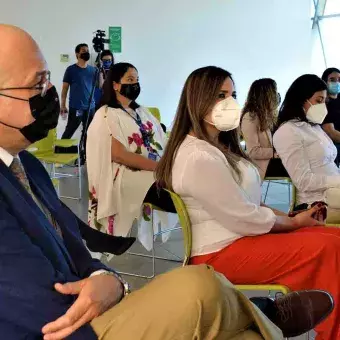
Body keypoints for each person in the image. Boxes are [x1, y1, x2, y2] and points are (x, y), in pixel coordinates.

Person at [0, 26, 330, 340]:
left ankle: (259, 319)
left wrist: (108, 280)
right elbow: (43, 310)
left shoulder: (27, 165)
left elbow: (77, 255)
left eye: (48, 81)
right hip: (65, 328)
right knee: (199, 288)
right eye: (36, 84)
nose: (49, 94)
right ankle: (263, 313)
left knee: (210, 299)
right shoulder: (113, 120)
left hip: (93, 307)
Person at [155, 66, 339, 340]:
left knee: (330, 235)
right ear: (198, 99)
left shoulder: (214, 147)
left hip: (240, 238)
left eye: (233, 94)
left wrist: (293, 218)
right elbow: (244, 216)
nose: (229, 102)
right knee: (331, 246)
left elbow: (247, 204)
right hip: (222, 252)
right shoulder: (198, 156)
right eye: (220, 95)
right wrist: (292, 222)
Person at [87, 62, 175, 239]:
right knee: (174, 191)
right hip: (123, 175)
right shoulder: (106, 114)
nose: (135, 84)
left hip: (151, 168)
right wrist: (158, 167)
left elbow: (163, 140)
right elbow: (118, 154)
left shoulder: (142, 111)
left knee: (186, 184)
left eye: (137, 80)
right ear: (115, 85)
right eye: (129, 79)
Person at [273, 74, 340, 223]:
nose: (323, 106)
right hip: (318, 203)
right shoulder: (288, 131)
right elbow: (303, 181)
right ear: (301, 99)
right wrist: (337, 181)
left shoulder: (314, 127)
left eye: (325, 101)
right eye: (318, 101)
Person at [241, 78, 288, 179]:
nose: (277, 95)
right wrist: (276, 153)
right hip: (264, 165)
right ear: (266, 95)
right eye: (274, 92)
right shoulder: (250, 117)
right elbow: (253, 152)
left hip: (272, 161)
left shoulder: (267, 116)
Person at [60, 43, 97, 139]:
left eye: (87, 51)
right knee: (69, 131)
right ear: (77, 54)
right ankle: (60, 150)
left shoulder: (93, 70)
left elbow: (99, 86)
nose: (86, 53)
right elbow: (64, 89)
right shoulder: (71, 70)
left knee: (89, 133)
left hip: (90, 108)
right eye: (83, 51)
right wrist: (63, 105)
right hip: (76, 107)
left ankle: (85, 152)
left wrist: (100, 71)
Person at [321, 67, 340, 165]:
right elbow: (330, 132)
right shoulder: (323, 103)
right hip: (332, 145)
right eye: (332, 80)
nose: (337, 82)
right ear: (325, 82)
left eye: (339, 80)